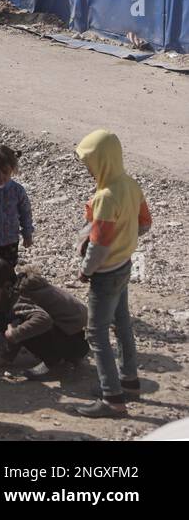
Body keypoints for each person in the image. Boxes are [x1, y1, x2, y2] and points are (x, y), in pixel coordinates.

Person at [74, 129, 152, 419]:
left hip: (105, 274)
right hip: (124, 266)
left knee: (96, 334)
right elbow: (145, 223)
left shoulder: (105, 197)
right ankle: (129, 382)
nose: (88, 170)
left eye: (90, 163)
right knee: (122, 324)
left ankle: (112, 400)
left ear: (102, 162)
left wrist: (85, 271)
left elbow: (99, 243)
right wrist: (125, 240)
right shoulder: (130, 184)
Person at [0, 257, 88, 381]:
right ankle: (65, 357)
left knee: (18, 326)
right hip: (79, 339)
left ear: (7, 286)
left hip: (74, 342)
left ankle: (53, 363)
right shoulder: (19, 289)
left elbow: (43, 319)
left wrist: (15, 333)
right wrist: (6, 357)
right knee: (16, 323)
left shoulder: (19, 298)